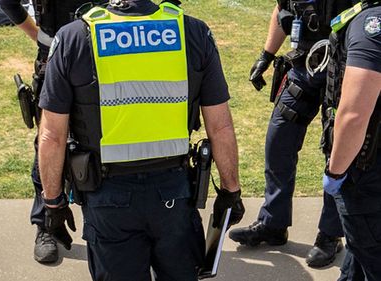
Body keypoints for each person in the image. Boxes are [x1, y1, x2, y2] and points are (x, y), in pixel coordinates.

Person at [37, 0, 245, 279]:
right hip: (174, 194)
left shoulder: (74, 36)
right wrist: (230, 191)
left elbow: (51, 136)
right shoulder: (193, 32)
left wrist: (52, 203)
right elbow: (220, 127)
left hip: (107, 198)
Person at [229, 0, 349, 268]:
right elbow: (283, 8)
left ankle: (330, 234)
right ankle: (273, 223)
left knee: (336, 149)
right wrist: (266, 55)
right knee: (278, 141)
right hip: (304, 66)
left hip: (344, 66)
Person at [0, 0, 91, 263]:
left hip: (102, 54)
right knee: (48, 143)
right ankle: (46, 225)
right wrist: (40, 36)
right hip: (51, 57)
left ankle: (104, 224)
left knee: (102, 141)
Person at [322, 0, 381, 279]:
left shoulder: (372, 24)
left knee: (369, 252)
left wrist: (335, 172)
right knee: (357, 261)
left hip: (367, 174)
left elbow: (354, 115)